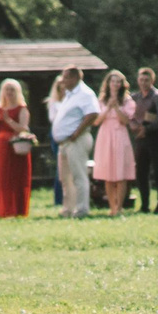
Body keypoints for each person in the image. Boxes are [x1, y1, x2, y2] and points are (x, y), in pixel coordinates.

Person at [48, 68, 99, 219]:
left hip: (76, 140)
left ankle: (82, 209)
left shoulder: (85, 94)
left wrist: (76, 132)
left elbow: (93, 113)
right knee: (65, 178)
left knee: (78, 175)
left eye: (66, 78)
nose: (63, 81)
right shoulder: (69, 95)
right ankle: (68, 208)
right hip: (64, 142)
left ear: (75, 78)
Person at [0, 78, 33, 219]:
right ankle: (1, 210)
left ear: (17, 92)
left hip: (16, 148)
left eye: (12, 89)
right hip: (0, 148)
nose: (9, 92)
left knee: (15, 178)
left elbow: (23, 128)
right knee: (1, 178)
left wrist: (8, 120)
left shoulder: (22, 108)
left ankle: (15, 210)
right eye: (7, 89)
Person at [91, 70, 137, 215]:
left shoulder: (127, 101)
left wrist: (116, 107)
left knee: (120, 173)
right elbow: (96, 121)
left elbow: (126, 121)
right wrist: (108, 107)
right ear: (108, 83)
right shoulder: (101, 100)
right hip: (105, 135)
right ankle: (112, 207)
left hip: (120, 135)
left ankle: (119, 206)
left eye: (118, 82)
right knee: (108, 173)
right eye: (113, 81)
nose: (116, 84)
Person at [133, 67, 158, 215]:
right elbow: (130, 116)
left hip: (155, 137)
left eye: (146, 80)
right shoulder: (135, 97)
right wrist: (135, 128)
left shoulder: (157, 96)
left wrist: (146, 129)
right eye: (141, 80)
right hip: (140, 139)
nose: (143, 82)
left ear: (152, 81)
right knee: (141, 172)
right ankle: (144, 205)